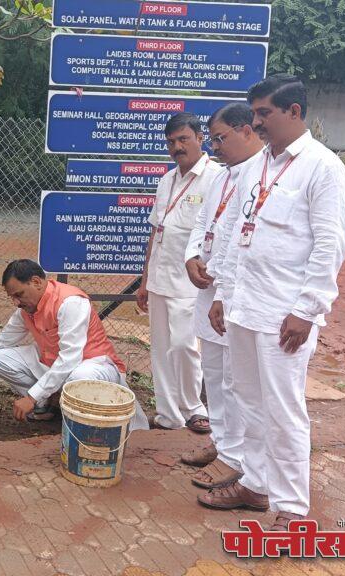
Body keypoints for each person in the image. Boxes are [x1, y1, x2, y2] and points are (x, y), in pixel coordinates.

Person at [199, 74, 345, 530]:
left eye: (264, 113)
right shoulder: (257, 165)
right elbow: (232, 235)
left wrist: (307, 310)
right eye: (256, 113)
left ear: (294, 112)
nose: (257, 122)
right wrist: (223, 293)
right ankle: (256, 485)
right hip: (244, 306)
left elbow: (329, 244)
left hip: (284, 316)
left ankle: (292, 509)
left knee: (283, 411)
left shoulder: (323, 168)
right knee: (248, 401)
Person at [0, 260, 148, 429]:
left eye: (19, 294)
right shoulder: (26, 309)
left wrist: (31, 397)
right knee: (2, 359)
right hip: (57, 365)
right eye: (12, 297)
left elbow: (70, 359)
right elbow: (0, 342)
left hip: (95, 367)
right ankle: (50, 406)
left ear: (36, 282)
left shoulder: (70, 303)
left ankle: (78, 420)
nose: (16, 302)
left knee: (79, 377)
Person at [179, 103, 265, 490]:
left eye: (220, 138)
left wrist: (223, 285)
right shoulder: (222, 176)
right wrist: (192, 255)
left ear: (247, 130)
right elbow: (204, 222)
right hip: (207, 288)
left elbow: (242, 236)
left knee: (235, 380)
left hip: (232, 294)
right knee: (214, 374)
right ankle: (222, 441)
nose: (215, 146)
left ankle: (237, 457)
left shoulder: (261, 173)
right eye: (212, 139)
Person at [136, 113, 225, 432]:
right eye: (171, 142)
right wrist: (145, 281)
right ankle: (167, 414)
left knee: (185, 345)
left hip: (191, 282)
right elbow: (155, 232)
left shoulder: (217, 178)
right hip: (160, 277)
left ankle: (193, 408)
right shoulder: (166, 180)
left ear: (200, 138)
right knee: (160, 348)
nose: (177, 146)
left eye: (183, 139)